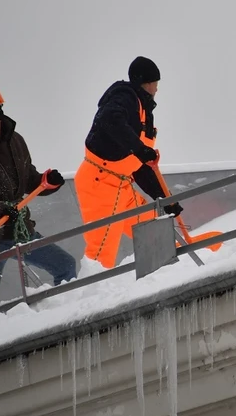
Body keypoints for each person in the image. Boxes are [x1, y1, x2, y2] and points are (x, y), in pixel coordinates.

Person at [0, 84, 77, 306]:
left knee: (65, 266)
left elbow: (29, 180)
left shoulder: (16, 141)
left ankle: (65, 312)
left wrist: (49, 182)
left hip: (19, 230)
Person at [73, 56, 183, 268]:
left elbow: (140, 167)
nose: (157, 89)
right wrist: (140, 149)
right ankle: (93, 288)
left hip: (122, 185)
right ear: (146, 83)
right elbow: (109, 119)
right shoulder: (125, 97)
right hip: (100, 184)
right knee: (101, 254)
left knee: (155, 232)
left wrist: (165, 199)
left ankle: (171, 274)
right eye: (155, 83)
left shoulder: (143, 111)